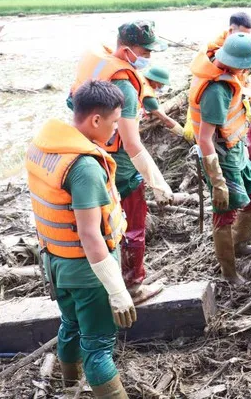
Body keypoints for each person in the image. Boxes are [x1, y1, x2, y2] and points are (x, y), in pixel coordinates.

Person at [27, 80, 136, 398]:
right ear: (96, 120)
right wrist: (117, 291)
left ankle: (70, 387)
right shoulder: (85, 168)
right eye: (115, 121)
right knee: (99, 348)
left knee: (70, 325)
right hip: (87, 272)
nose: (116, 130)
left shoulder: (45, 145)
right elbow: (90, 234)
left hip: (55, 262)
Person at [68, 20, 172, 304]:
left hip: (90, 152)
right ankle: (134, 286)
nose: (149, 57)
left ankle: (107, 282)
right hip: (120, 168)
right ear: (127, 51)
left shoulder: (98, 66)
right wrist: (157, 182)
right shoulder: (124, 86)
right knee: (131, 224)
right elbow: (131, 142)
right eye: (146, 51)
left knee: (100, 225)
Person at [188, 33, 251, 286]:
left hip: (236, 150)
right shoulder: (216, 91)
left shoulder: (230, 72)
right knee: (224, 213)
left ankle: (240, 244)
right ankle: (229, 272)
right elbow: (204, 139)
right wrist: (218, 181)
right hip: (220, 157)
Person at [184, 12, 251, 142]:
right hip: (218, 120)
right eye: (242, 34)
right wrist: (190, 119)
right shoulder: (216, 53)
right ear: (230, 30)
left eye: (247, 35)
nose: (244, 38)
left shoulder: (241, 47)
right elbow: (200, 84)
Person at [141, 65, 185, 138]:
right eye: (162, 84)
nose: (162, 87)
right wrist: (183, 133)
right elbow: (165, 120)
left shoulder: (140, 78)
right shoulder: (148, 97)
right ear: (155, 81)